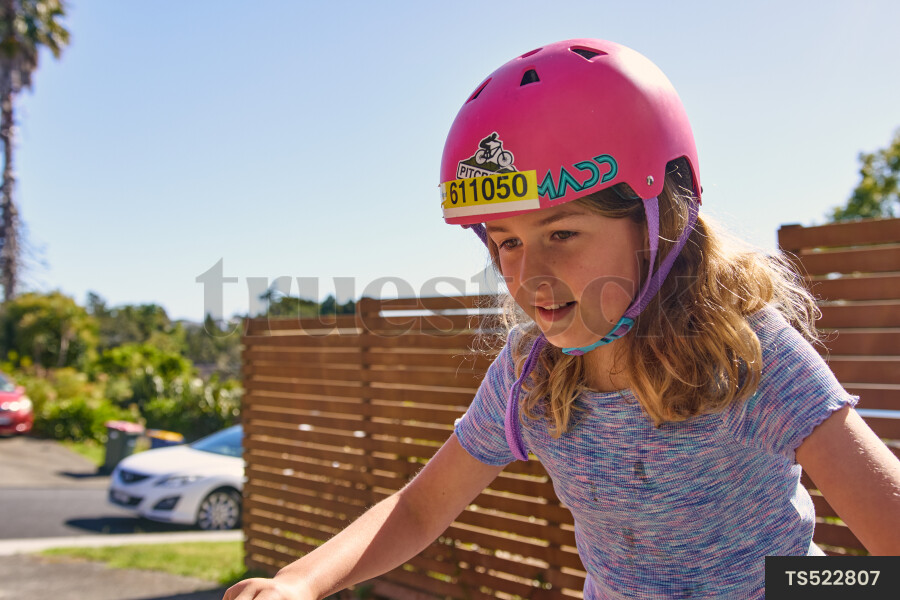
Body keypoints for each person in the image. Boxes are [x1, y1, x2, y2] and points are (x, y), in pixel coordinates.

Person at [224, 39, 900, 600]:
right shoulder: (532, 374)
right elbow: (420, 508)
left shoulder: (750, 355)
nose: (529, 277)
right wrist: (300, 582)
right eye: (506, 243)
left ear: (658, 223)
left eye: (562, 233)